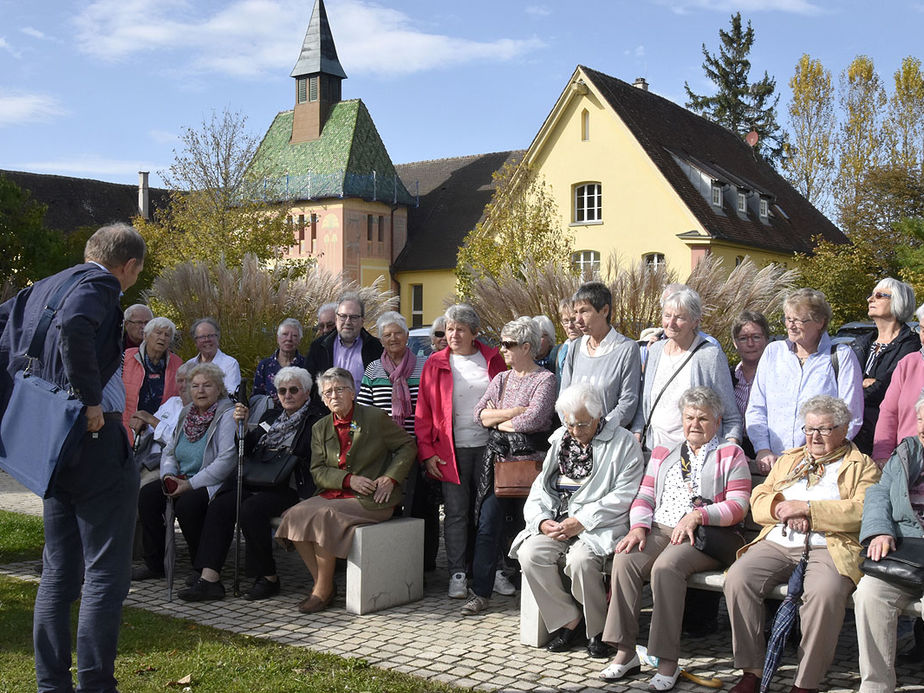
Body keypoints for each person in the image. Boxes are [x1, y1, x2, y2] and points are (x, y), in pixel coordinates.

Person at [0, 222, 146, 692]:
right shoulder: (99, 285)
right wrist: (85, 400)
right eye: (135, 274)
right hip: (92, 439)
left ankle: (51, 686)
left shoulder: (41, 286)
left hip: (49, 442)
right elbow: (76, 324)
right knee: (104, 573)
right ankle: (96, 685)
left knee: (60, 570)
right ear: (128, 266)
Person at [724, 395, 880, 693]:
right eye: (809, 429)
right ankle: (751, 671)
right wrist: (782, 507)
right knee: (738, 577)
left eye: (823, 429)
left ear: (843, 429)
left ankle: (805, 683)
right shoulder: (789, 460)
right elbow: (758, 499)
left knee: (824, 593)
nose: (814, 437)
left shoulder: (862, 466)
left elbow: (863, 511)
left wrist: (809, 510)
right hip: (778, 542)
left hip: (829, 546)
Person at [600, 387, 751, 689]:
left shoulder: (731, 454)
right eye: (689, 417)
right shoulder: (663, 451)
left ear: (718, 422)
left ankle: (667, 661)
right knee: (625, 559)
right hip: (660, 527)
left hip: (705, 535)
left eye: (703, 419)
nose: (695, 424)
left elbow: (738, 505)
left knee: (666, 568)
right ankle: (624, 651)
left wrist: (698, 516)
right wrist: (638, 526)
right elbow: (644, 495)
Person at [509, 382, 645, 657]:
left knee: (581, 561)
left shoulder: (623, 442)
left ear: (598, 417)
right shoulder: (560, 438)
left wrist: (581, 520)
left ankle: (598, 631)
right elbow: (541, 487)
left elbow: (624, 494)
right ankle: (568, 620)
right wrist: (541, 520)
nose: (575, 431)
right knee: (530, 553)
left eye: (582, 424)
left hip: (599, 524)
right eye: (569, 424)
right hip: (558, 520)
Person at [274, 368, 416, 613]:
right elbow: (317, 470)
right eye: (328, 392)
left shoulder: (374, 418)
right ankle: (323, 584)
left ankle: (322, 591)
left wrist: (390, 478)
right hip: (336, 493)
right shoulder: (319, 428)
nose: (334, 395)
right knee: (292, 515)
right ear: (323, 398)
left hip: (372, 498)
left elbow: (407, 446)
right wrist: (348, 480)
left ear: (353, 392)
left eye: (340, 389)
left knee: (325, 516)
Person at [178, 366, 314, 601]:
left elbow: (307, 456)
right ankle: (210, 579)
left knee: (251, 510)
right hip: (258, 480)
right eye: (282, 391)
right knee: (221, 505)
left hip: (289, 486)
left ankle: (269, 577)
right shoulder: (271, 417)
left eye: (294, 390)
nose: (287, 395)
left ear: (307, 392)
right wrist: (244, 425)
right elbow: (248, 448)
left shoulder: (314, 420)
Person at [462, 317, 557, 616]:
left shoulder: (545, 380)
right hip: (499, 467)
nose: (501, 349)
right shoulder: (501, 379)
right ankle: (480, 593)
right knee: (487, 526)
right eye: (501, 343)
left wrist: (499, 418)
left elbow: (536, 420)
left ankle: (530, 595)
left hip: (531, 469)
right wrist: (514, 412)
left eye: (508, 344)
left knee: (527, 528)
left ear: (526, 347)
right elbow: (478, 415)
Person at [415, 303, 506, 599]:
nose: (452, 335)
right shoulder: (435, 363)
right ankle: (457, 573)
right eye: (449, 329)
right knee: (455, 514)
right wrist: (427, 453)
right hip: (450, 451)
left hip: (489, 448)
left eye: (460, 329)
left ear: (474, 333)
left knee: (489, 514)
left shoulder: (492, 360)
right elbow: (424, 412)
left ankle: (489, 572)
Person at [135, 363, 237, 584]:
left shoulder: (227, 415)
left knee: (188, 504)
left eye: (207, 386)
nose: (200, 391)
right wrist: (168, 476)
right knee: (148, 495)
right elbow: (170, 451)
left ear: (219, 389)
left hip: (212, 482)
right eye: (195, 386)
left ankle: (199, 565)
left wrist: (189, 485)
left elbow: (226, 461)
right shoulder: (186, 413)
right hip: (181, 478)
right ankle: (155, 563)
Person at [746, 288, 863, 474]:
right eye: (787, 318)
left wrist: (821, 454)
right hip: (774, 465)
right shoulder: (773, 352)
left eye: (799, 320)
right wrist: (762, 449)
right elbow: (757, 408)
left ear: (820, 322)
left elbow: (852, 416)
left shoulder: (841, 356)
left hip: (821, 466)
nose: (790, 326)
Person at [854, 391, 924, 693]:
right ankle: (876, 688)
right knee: (869, 593)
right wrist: (879, 531)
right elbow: (879, 493)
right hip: (907, 550)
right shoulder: (908, 451)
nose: (923, 427)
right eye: (921, 419)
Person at [356, 310, 437, 568]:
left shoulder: (424, 365)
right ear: (380, 340)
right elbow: (363, 410)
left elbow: (434, 409)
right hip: (383, 453)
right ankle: (392, 562)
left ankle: (423, 564)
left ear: (407, 336)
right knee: (387, 505)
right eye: (387, 334)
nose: (393, 338)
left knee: (421, 507)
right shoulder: (373, 368)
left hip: (417, 447)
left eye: (398, 333)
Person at [632, 287, 740, 450]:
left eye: (680, 317)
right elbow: (644, 402)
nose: (671, 323)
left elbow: (730, 415)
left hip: (695, 454)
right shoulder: (654, 351)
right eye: (667, 316)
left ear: (695, 321)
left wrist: (729, 449)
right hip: (654, 451)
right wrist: (637, 431)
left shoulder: (710, 356)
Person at [560, 281, 642, 427]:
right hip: (574, 436)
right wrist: (573, 426)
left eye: (584, 311)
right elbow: (564, 396)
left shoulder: (627, 349)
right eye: (576, 312)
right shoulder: (576, 347)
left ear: (604, 311)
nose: (578, 320)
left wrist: (596, 428)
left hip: (609, 438)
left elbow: (628, 402)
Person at [852, 279, 919, 456]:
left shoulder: (910, 345)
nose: (870, 300)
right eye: (871, 295)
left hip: (884, 437)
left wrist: (856, 391)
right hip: (853, 434)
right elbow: (842, 386)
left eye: (879, 295)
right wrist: (862, 385)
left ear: (898, 301)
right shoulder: (861, 343)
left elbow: (886, 389)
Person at [304, 293, 383, 414]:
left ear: (362, 321)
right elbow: (310, 385)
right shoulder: (319, 347)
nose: (347, 322)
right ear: (336, 319)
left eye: (353, 317)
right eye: (343, 316)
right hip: (327, 418)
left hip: (363, 417)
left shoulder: (375, 348)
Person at [874, 302, 924, 464]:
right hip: (906, 463)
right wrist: (882, 455)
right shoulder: (909, 364)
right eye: (922, 329)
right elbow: (889, 413)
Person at [130, 362, 192, 487]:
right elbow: (149, 434)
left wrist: (151, 420)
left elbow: (179, 443)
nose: (184, 385)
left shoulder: (198, 409)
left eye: (188, 380)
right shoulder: (172, 402)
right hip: (145, 458)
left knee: (139, 487)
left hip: (166, 465)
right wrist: (143, 427)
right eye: (180, 381)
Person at [122, 316, 183, 445]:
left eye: (167, 335)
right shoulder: (126, 358)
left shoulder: (177, 363)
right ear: (145, 336)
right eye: (158, 333)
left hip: (160, 429)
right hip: (128, 424)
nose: (162, 338)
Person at [730, 311, 771, 460]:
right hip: (735, 448)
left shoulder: (774, 377)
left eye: (756, 337)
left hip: (769, 450)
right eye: (743, 338)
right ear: (735, 343)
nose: (750, 344)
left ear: (766, 339)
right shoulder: (728, 377)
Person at [253, 318, 308, 401]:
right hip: (268, 413)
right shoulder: (265, 365)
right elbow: (256, 397)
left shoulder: (307, 364)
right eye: (285, 334)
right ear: (277, 338)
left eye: (294, 336)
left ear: (299, 341)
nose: (289, 339)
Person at [185, 317, 241, 395]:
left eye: (211, 335)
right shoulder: (189, 365)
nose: (207, 340)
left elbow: (231, 394)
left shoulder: (230, 364)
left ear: (218, 337)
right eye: (202, 337)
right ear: (195, 342)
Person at [556, 297, 582, 379]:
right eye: (566, 321)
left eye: (574, 319)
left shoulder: (591, 349)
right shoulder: (562, 350)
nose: (570, 326)